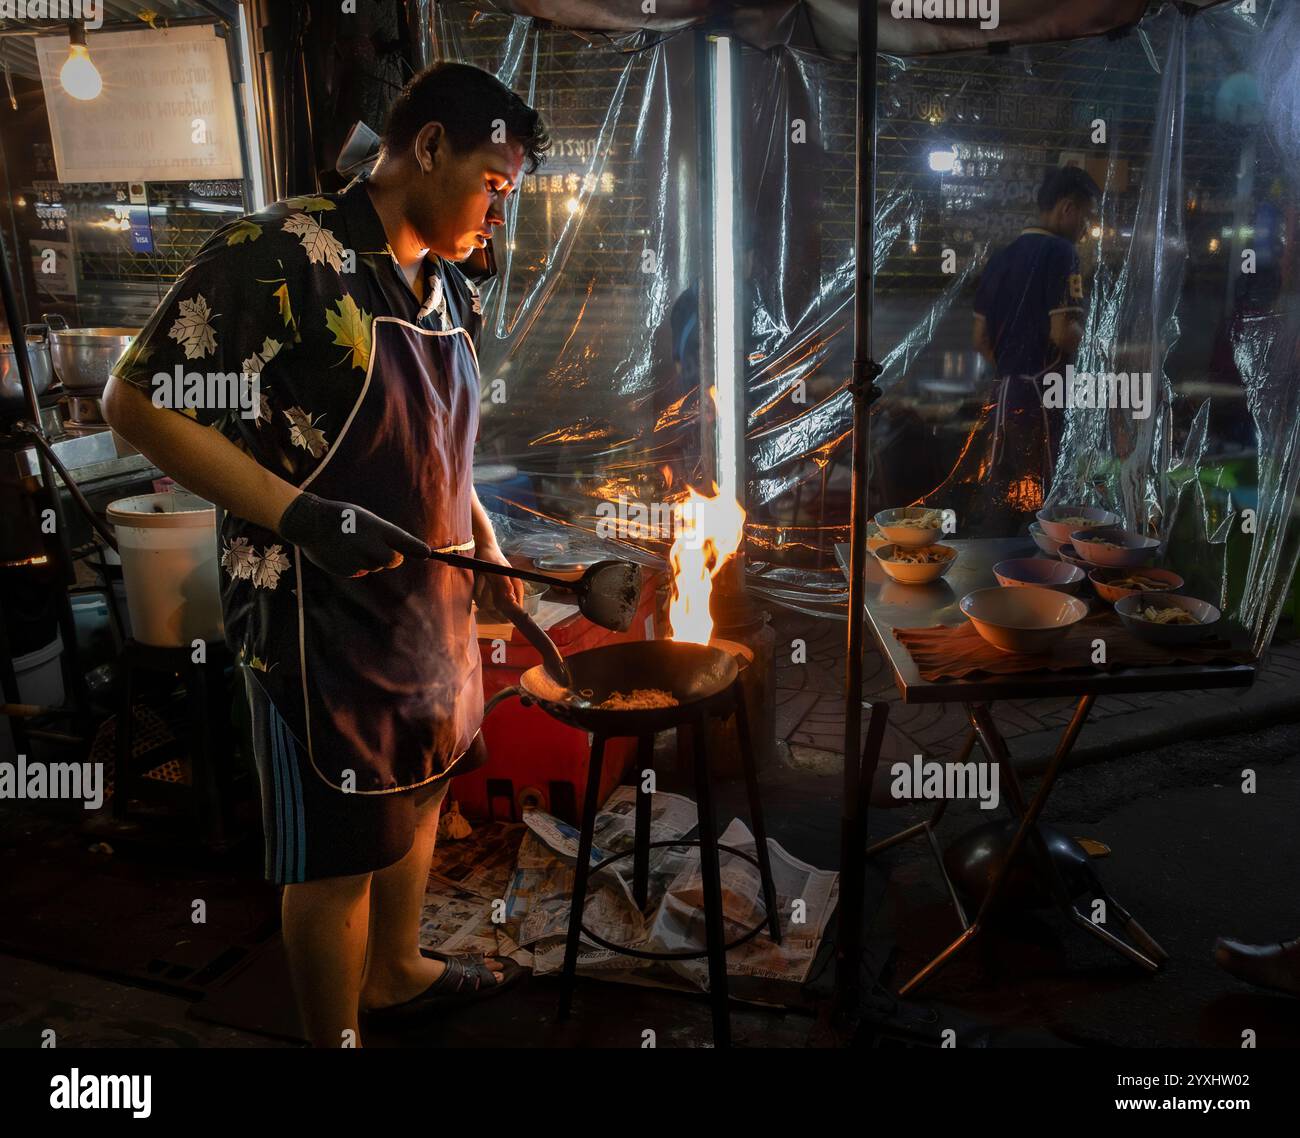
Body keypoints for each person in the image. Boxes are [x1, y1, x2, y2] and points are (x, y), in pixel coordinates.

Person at [103, 62, 551, 1046]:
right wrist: (300, 516)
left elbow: (438, 434)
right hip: (316, 623)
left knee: (419, 795)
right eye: (493, 181)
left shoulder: (444, 281)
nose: (497, 211)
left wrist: (482, 534)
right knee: (336, 853)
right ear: (429, 146)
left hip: (426, 608)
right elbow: (133, 401)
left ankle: (394, 972)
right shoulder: (286, 252)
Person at [971, 165, 1100, 496]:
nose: (1086, 231)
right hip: (1043, 401)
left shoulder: (1000, 257)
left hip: (1002, 398)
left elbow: (979, 339)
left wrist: (1013, 372)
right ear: (1067, 208)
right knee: (1043, 497)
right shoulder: (1062, 252)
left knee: (1005, 494)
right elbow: (1063, 333)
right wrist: (1102, 348)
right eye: (1086, 218)